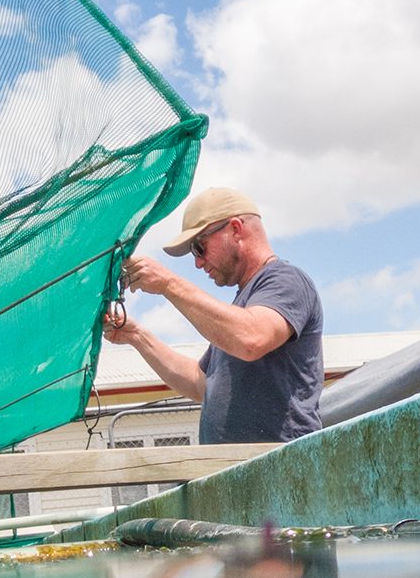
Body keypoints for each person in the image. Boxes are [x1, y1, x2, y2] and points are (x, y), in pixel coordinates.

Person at [101, 186, 324, 444]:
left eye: (199, 247)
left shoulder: (287, 280)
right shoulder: (241, 309)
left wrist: (168, 284)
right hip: (243, 465)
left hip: (283, 463)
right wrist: (137, 337)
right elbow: (201, 384)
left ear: (236, 229)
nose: (198, 263)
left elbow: (252, 338)